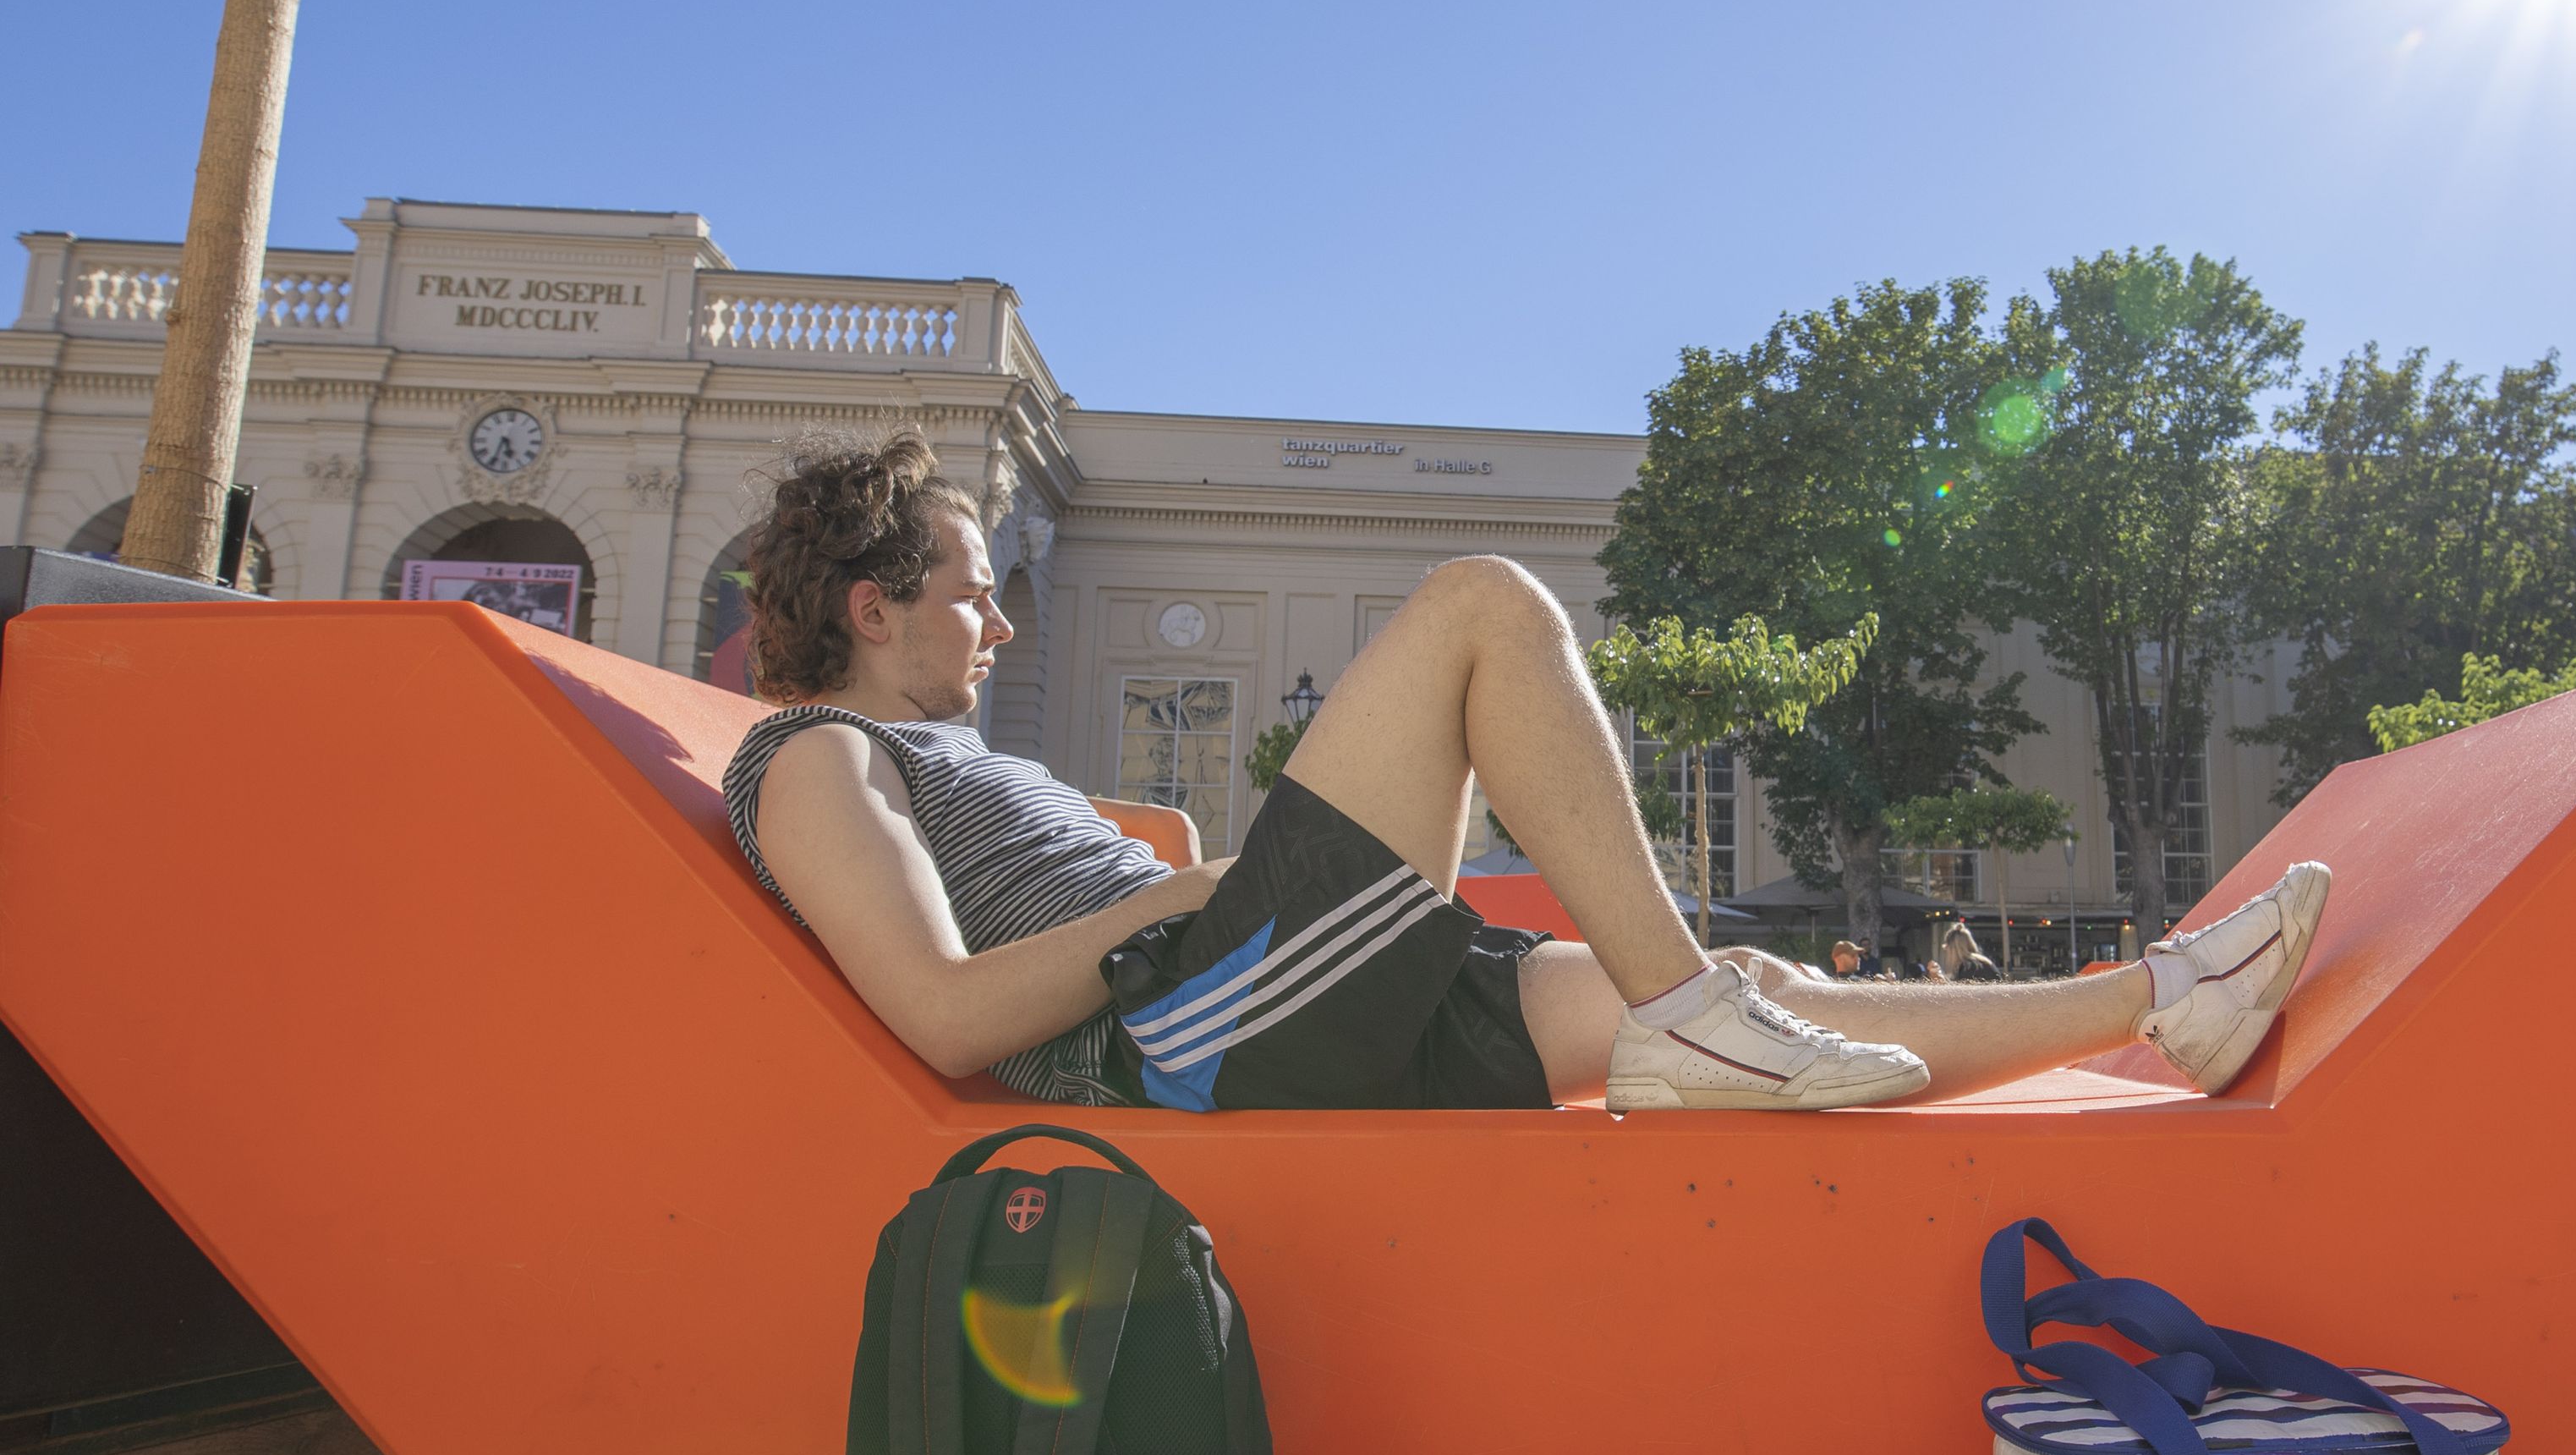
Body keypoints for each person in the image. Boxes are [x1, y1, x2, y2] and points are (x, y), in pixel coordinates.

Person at [722, 431, 2329, 1117]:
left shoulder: (925, 746)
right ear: (872, 612)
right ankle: (1701, 1022)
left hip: (1245, 997)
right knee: (1483, 603)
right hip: (1187, 1028)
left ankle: (2165, 1001)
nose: (997, 616)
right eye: (966, 589)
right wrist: (1196, 891)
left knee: (1748, 977)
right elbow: (935, 1015)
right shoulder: (819, 755)